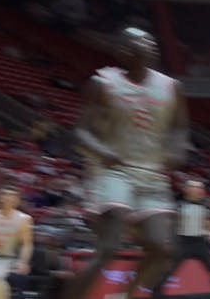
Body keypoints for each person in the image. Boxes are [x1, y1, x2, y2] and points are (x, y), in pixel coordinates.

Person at [65, 27, 190, 299]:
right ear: (125, 52)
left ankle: (129, 294)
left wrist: (177, 149)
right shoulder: (103, 83)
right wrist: (102, 151)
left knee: (161, 248)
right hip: (115, 171)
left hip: (152, 174)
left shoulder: (171, 87)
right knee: (109, 248)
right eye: (142, 41)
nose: (151, 44)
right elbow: (80, 131)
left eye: (152, 40)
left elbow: (180, 128)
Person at [151, 180, 210, 299]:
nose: (198, 190)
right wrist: (167, 239)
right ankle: (156, 293)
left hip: (200, 243)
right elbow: (171, 223)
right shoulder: (179, 206)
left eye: (200, 188)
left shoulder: (206, 207)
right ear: (187, 189)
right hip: (183, 242)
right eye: (195, 187)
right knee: (170, 269)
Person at [0, 186, 33, 299]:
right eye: (5, 194)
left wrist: (23, 261)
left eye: (12, 195)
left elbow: (27, 244)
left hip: (4, 258)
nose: (8, 198)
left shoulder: (24, 219)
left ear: (18, 200)